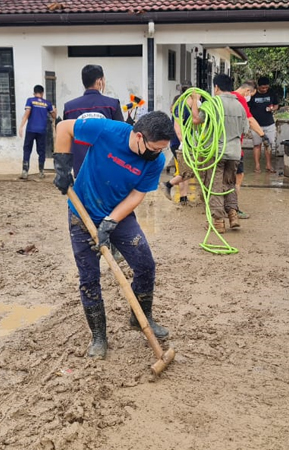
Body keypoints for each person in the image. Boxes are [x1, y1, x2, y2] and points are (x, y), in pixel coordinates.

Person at [52, 111, 174, 359]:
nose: (158, 154)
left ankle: (141, 316)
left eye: (162, 149)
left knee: (145, 264)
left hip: (119, 213)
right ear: (139, 137)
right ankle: (99, 337)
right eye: (154, 148)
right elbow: (64, 128)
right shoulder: (107, 130)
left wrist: (110, 222)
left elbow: (137, 195)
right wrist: (62, 167)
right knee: (89, 278)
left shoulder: (156, 162)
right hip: (82, 212)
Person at [62, 64, 125, 178]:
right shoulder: (112, 105)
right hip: (106, 166)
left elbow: (65, 138)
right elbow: (121, 136)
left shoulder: (70, 107)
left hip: (80, 167)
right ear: (99, 81)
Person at [211, 74, 250, 232]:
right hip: (234, 152)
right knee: (230, 183)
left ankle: (219, 222)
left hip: (216, 152)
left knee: (215, 185)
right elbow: (245, 130)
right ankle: (233, 215)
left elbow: (197, 121)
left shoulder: (213, 103)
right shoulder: (239, 105)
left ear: (216, 87)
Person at [231, 80, 270, 219]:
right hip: (234, 148)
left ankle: (217, 209)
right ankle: (233, 209)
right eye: (251, 95)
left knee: (220, 179)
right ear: (247, 91)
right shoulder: (240, 99)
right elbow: (250, 120)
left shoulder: (223, 98)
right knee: (237, 178)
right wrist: (263, 135)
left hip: (218, 148)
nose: (249, 99)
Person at [162, 87, 203, 206]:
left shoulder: (188, 108)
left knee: (185, 170)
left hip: (185, 143)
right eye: (198, 96)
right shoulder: (181, 107)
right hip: (179, 144)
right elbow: (177, 127)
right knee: (187, 171)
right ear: (192, 96)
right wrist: (183, 143)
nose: (199, 99)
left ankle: (183, 198)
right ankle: (168, 185)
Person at [18, 84, 56, 179]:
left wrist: (21, 126)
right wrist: (55, 110)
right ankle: (41, 171)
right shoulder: (47, 103)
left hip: (31, 129)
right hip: (42, 130)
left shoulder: (30, 100)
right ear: (42, 93)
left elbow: (27, 114)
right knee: (41, 151)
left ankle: (25, 171)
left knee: (27, 149)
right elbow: (54, 116)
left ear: (34, 92)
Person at [248, 77, 279, 173]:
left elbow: (276, 105)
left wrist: (272, 109)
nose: (265, 90)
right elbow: (247, 108)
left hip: (269, 124)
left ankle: (268, 165)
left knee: (268, 145)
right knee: (257, 145)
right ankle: (257, 165)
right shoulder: (253, 94)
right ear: (258, 86)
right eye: (262, 88)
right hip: (256, 125)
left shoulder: (271, 92)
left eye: (266, 88)